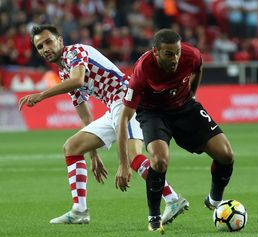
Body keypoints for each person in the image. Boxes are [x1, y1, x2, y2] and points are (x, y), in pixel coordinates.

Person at [18, 25, 189, 225]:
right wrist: (93, 154)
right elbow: (84, 114)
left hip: (129, 99)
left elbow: (77, 80)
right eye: (40, 46)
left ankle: (173, 199)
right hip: (114, 107)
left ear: (60, 41)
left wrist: (41, 95)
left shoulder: (75, 52)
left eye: (48, 41)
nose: (45, 48)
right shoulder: (65, 73)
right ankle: (79, 210)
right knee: (72, 147)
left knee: (133, 157)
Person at [116, 29, 235, 233]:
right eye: (169, 54)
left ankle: (215, 200)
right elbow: (124, 119)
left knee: (226, 154)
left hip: (185, 107)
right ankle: (154, 216)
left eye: (177, 52)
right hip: (153, 114)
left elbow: (198, 68)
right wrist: (123, 164)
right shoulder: (142, 71)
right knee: (159, 161)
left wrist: (192, 95)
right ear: (156, 52)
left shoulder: (191, 55)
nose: (175, 58)